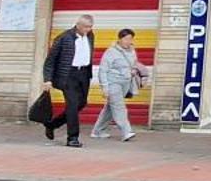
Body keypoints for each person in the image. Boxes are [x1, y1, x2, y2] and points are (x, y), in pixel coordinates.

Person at [43, 14, 98, 146]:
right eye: (85, 27)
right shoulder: (64, 37)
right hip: (68, 75)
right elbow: (50, 61)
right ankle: (72, 138)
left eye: (90, 27)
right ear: (78, 25)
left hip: (84, 73)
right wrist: (48, 79)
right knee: (72, 105)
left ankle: (52, 124)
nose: (88, 30)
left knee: (81, 103)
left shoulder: (90, 36)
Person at [90, 27, 149, 141]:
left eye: (130, 39)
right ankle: (126, 132)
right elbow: (103, 70)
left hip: (125, 84)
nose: (128, 41)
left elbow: (133, 64)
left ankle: (98, 131)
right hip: (113, 83)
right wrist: (105, 88)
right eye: (126, 39)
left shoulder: (132, 51)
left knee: (111, 108)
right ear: (120, 39)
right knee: (119, 107)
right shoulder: (111, 52)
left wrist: (134, 70)